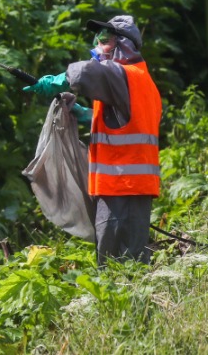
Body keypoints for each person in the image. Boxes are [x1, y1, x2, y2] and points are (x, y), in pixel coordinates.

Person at [22, 15, 163, 265]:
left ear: (124, 45)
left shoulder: (122, 74)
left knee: (119, 269)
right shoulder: (139, 79)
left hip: (123, 188)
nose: (98, 46)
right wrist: (85, 114)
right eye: (98, 39)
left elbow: (86, 72)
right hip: (127, 189)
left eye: (105, 40)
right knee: (123, 265)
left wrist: (59, 79)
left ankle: (124, 305)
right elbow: (125, 122)